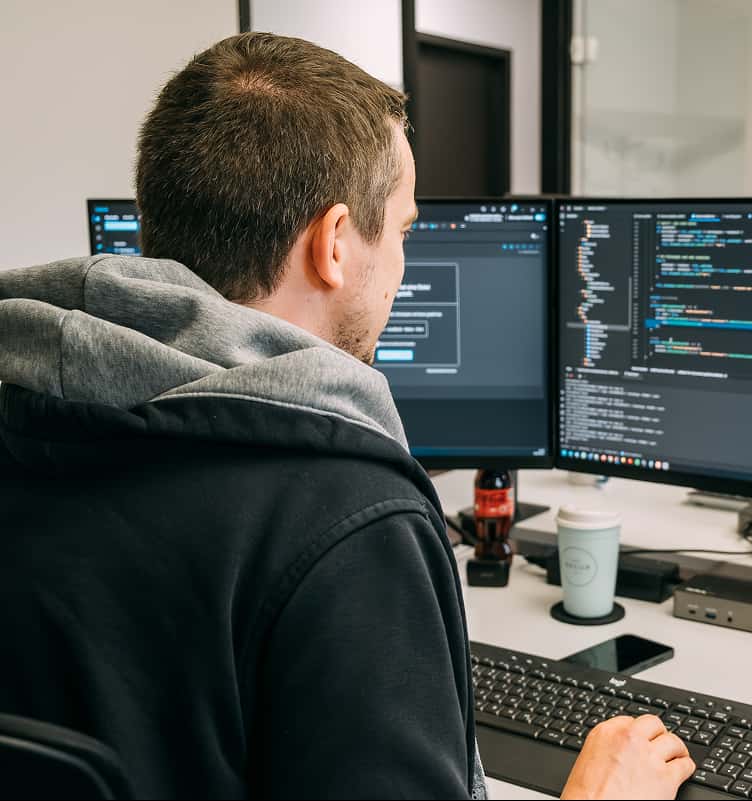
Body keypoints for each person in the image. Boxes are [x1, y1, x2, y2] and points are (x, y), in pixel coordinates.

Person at [0, 32, 693, 799]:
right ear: (333, 244)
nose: (402, 265)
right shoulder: (344, 518)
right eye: (401, 231)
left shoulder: (26, 412)